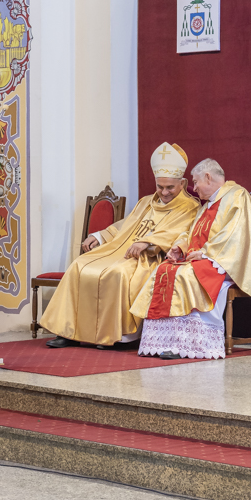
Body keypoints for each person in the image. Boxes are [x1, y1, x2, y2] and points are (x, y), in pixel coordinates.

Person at [41, 143, 199, 348]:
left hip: (150, 257)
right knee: (79, 265)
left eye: (170, 187)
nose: (164, 192)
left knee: (119, 273)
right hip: (121, 249)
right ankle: (68, 331)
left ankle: (120, 336)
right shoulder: (145, 202)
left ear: (182, 183)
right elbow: (125, 225)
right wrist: (100, 236)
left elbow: (183, 233)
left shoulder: (190, 207)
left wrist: (149, 242)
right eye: (160, 186)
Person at [130, 159, 251, 359]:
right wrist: (179, 247)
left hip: (228, 262)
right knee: (165, 269)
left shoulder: (236, 196)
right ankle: (166, 342)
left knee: (186, 275)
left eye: (196, 182)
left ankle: (191, 344)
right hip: (204, 259)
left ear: (208, 177)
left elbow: (235, 235)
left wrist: (206, 253)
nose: (194, 188)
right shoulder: (208, 204)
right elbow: (192, 232)